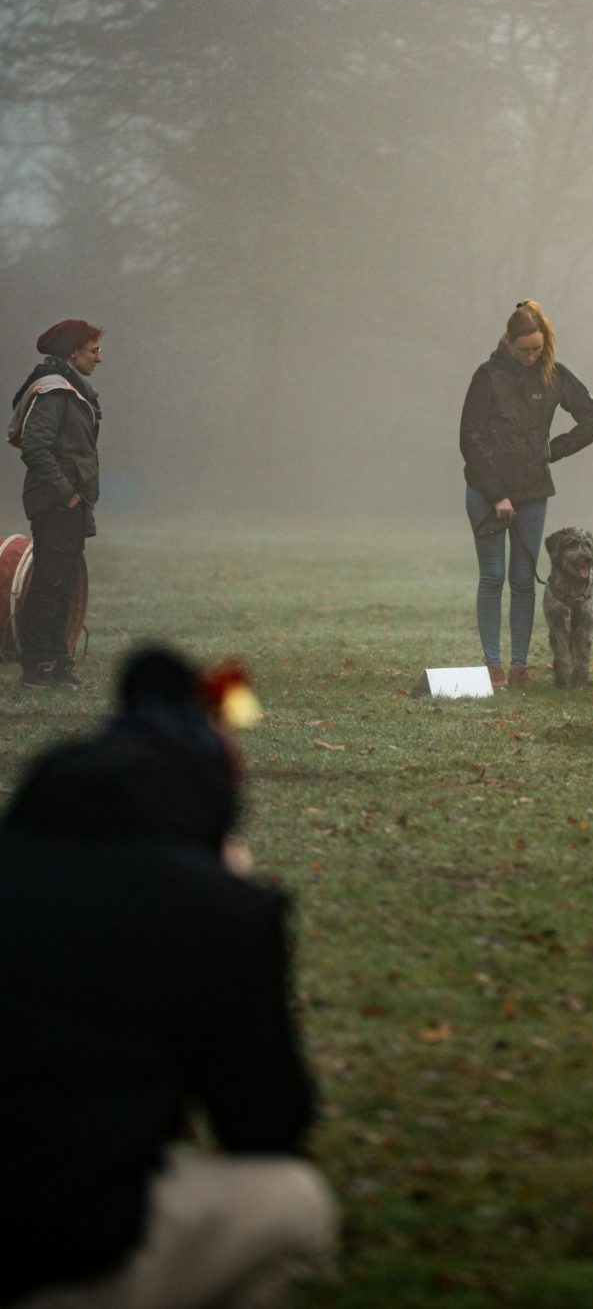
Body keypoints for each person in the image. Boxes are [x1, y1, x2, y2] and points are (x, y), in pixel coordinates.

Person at [0, 647, 337, 1309]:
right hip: (47, 1252)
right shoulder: (214, 911)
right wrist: (230, 912)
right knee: (294, 1201)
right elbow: (266, 1122)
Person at [460, 299, 593, 687]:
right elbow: (470, 440)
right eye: (524, 349)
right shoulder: (487, 377)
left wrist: (553, 450)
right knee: (493, 577)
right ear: (509, 342)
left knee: (524, 580)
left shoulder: (553, 375)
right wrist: (496, 495)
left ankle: (519, 667)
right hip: (486, 491)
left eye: (537, 349)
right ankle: (493, 665)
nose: (531, 357)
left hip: (532, 491)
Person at [7, 319, 103, 689]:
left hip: (70, 504)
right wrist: (67, 494)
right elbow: (35, 448)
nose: (99, 358)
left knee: (64, 585)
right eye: (93, 350)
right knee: (49, 585)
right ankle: (37, 667)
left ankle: (58, 663)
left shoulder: (72, 390)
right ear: (72, 352)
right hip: (56, 504)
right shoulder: (54, 391)